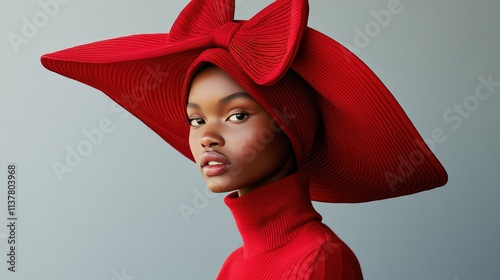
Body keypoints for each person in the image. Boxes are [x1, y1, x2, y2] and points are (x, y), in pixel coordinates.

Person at [41, 0, 448, 279]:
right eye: (195, 119)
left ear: (290, 129)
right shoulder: (234, 264)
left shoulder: (321, 262)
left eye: (236, 115)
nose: (207, 138)